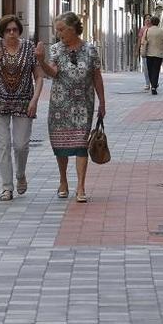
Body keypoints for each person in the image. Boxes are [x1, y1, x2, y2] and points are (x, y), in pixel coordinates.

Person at [0, 15, 44, 201]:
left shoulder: (28, 47)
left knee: (21, 145)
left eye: (14, 30)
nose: (11, 33)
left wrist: (35, 100)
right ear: (2, 32)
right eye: (7, 30)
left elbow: (39, 77)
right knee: (2, 146)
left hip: (24, 101)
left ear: (19, 30)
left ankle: (20, 174)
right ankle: (6, 187)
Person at [35, 12, 105, 202]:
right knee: (61, 144)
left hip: (83, 104)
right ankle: (63, 180)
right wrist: (41, 61)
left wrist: (102, 102)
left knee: (81, 145)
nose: (58, 34)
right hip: (60, 104)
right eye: (56, 30)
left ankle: (81, 186)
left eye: (61, 30)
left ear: (73, 29)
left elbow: (96, 76)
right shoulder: (57, 49)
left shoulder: (90, 50)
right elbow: (52, 73)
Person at [143, 16, 163, 95]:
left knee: (150, 70)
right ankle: (154, 86)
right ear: (158, 22)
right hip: (159, 54)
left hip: (149, 54)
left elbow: (144, 41)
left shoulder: (147, 30)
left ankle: (153, 84)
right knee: (156, 70)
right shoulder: (162, 31)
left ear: (151, 22)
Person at [138, 14, 152, 90]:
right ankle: (147, 83)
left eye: (149, 18)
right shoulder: (142, 29)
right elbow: (139, 39)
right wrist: (137, 49)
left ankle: (153, 81)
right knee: (146, 68)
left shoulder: (154, 29)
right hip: (145, 51)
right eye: (146, 18)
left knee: (152, 68)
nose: (148, 20)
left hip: (152, 51)